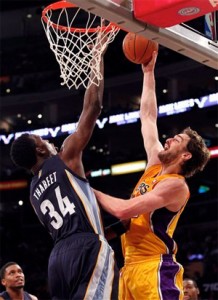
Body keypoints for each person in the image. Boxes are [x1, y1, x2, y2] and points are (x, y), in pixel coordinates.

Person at [10, 32, 122, 300]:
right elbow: (93, 106)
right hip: (87, 247)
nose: (49, 141)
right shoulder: (65, 157)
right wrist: (98, 52)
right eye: (43, 140)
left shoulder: (34, 192)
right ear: (39, 150)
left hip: (57, 259)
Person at [94, 50, 210, 300]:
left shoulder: (177, 186)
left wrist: (86, 189)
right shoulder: (155, 164)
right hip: (130, 267)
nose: (168, 139)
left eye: (177, 140)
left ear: (186, 156)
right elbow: (148, 117)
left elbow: (124, 210)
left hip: (155, 266)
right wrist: (148, 73)